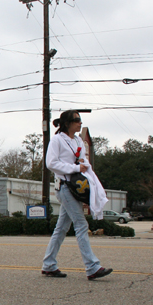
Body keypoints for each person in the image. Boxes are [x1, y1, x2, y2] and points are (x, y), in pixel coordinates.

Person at [41, 110, 113, 280]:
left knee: (61, 228)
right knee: (81, 225)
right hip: (65, 187)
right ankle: (92, 267)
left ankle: (49, 264)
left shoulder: (77, 140)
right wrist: (74, 168)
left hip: (76, 187)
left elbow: (83, 161)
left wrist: (83, 165)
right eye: (77, 120)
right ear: (67, 123)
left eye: (80, 120)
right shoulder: (57, 140)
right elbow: (51, 163)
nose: (80, 123)